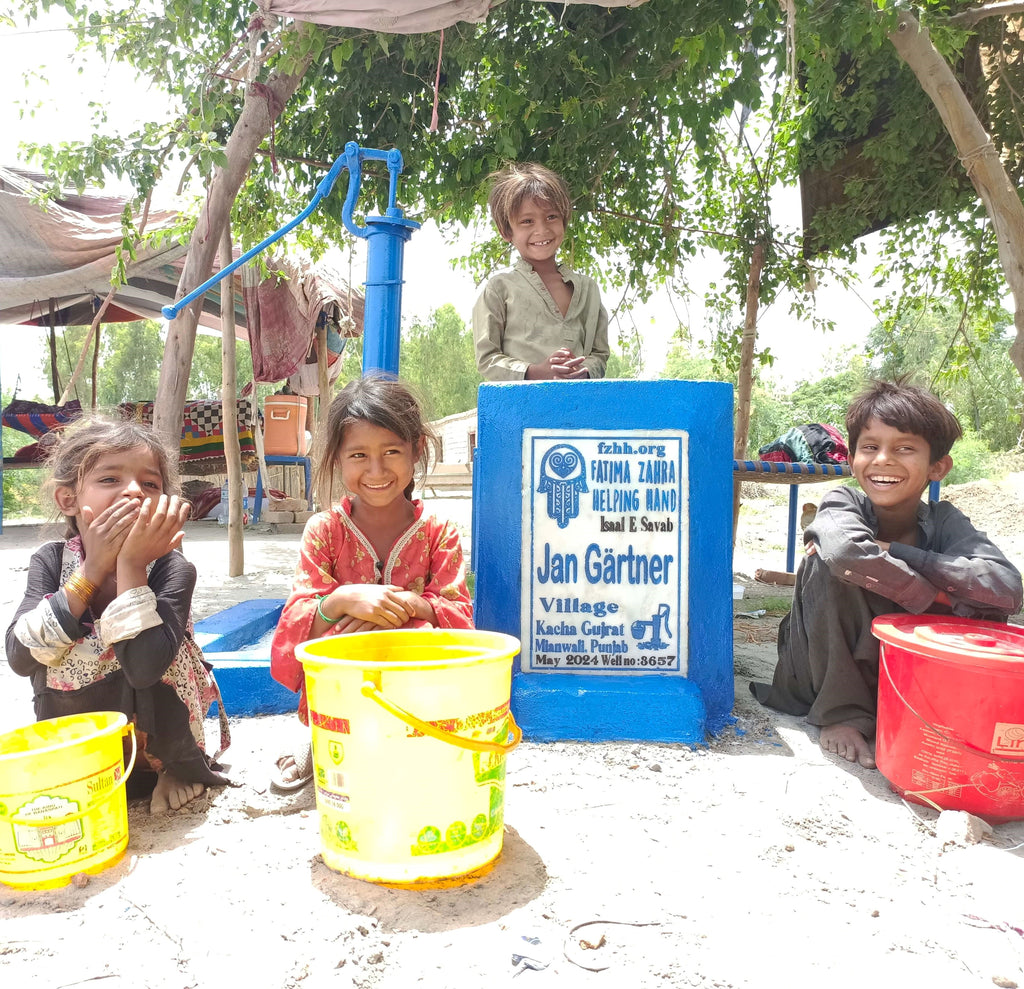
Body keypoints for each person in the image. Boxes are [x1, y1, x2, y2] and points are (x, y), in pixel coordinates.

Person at [751, 379, 1023, 769]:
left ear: (937, 466)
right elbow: (846, 550)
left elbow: (1007, 588)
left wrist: (897, 551)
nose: (883, 460)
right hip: (818, 674)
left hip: (897, 675)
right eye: (870, 447)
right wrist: (937, 595)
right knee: (826, 563)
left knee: (985, 601)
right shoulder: (842, 501)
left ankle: (905, 705)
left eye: (904, 449)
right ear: (852, 459)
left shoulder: (946, 521)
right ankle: (842, 714)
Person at [6, 416, 230, 814]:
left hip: (159, 747)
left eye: (150, 484)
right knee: (51, 639)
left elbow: (145, 666)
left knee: (159, 639)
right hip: (87, 753)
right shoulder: (51, 561)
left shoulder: (171, 569)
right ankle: (87, 767)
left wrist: (130, 565)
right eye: (110, 480)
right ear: (69, 500)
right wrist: (91, 572)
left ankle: (172, 769)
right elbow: (20, 657)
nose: (133, 492)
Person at [269, 375, 474, 791]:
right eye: (359, 455)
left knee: (425, 635)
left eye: (392, 452)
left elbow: (461, 618)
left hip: (416, 694)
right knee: (325, 636)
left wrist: (409, 608)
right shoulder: (324, 531)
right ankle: (322, 740)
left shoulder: (439, 532)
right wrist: (343, 599)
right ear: (338, 459)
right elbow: (296, 626)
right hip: (342, 691)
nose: (376, 470)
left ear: (416, 449)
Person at [473, 161, 610, 381]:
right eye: (527, 221)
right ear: (507, 231)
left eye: (551, 217)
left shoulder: (588, 289)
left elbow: (599, 353)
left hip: (580, 408)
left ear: (564, 220)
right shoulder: (499, 289)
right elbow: (487, 358)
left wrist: (583, 372)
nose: (542, 229)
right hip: (523, 411)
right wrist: (535, 372)